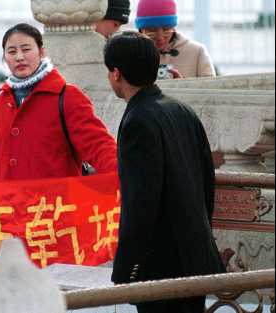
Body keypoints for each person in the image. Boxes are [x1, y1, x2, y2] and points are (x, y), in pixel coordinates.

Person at [104, 31, 225, 313]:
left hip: (159, 266)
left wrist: (125, 269)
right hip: (194, 257)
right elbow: (207, 183)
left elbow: (140, 204)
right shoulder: (182, 110)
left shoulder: (138, 121)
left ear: (116, 73)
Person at [0, 23, 117, 181]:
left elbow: (98, 145)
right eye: (11, 51)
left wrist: (125, 174)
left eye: (26, 49)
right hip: (9, 206)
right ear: (4, 57)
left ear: (42, 52)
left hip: (54, 205)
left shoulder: (67, 97)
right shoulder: (3, 100)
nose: (19, 57)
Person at [135, 0, 216, 79]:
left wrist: (183, 87)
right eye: (152, 31)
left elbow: (213, 90)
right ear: (141, 29)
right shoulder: (130, 53)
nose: (160, 38)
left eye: (166, 29)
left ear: (174, 27)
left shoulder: (197, 52)